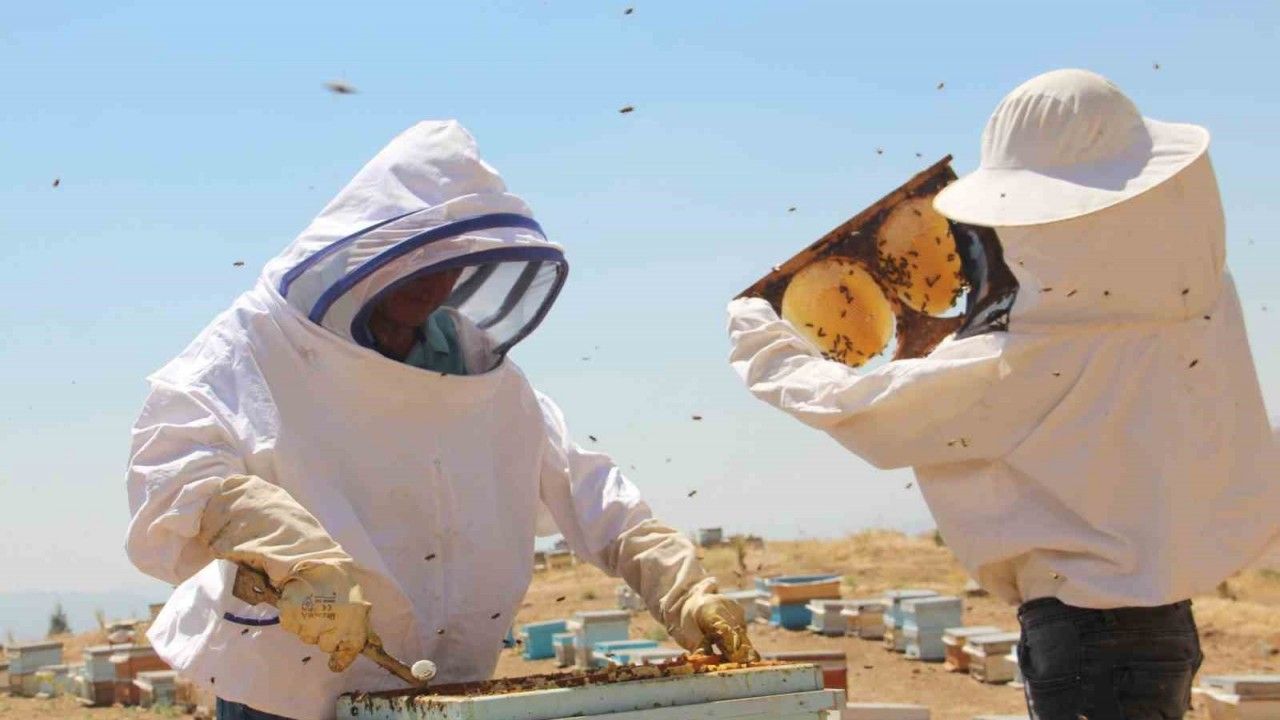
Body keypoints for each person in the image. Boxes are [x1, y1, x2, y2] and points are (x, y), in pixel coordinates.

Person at [126, 120, 757, 720]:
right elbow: (171, 467)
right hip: (287, 687)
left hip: (446, 682)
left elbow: (590, 490)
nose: (437, 282)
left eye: (455, 262)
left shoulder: (477, 369)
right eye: (421, 260)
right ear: (372, 250)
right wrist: (279, 543)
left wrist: (682, 588)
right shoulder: (260, 345)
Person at [727, 69, 1278, 720]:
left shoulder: (1032, 355)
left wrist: (763, 344)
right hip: (1162, 622)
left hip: (1091, 639)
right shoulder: (1203, 296)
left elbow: (865, 411)